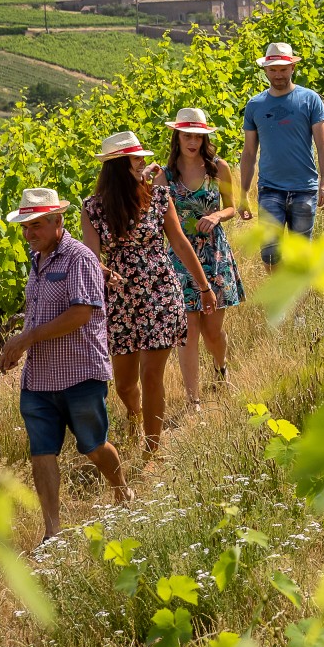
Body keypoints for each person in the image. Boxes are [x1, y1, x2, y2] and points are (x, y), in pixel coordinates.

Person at [0, 186, 132, 539]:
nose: (29, 234)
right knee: (41, 453)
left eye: (36, 226)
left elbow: (80, 314)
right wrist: (18, 348)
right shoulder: (37, 259)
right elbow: (38, 315)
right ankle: (52, 533)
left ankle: (122, 490)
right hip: (38, 379)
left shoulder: (80, 258)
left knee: (93, 445)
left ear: (58, 221)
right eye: (25, 228)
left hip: (80, 373)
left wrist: (26, 339)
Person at [83, 130, 216, 459]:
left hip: (160, 293)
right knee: (125, 384)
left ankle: (152, 450)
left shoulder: (159, 197)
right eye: (135, 158)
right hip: (120, 302)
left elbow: (180, 244)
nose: (142, 162)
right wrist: (101, 273)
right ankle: (134, 413)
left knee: (152, 373)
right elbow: (91, 259)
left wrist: (204, 287)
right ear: (117, 165)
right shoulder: (93, 209)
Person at [164, 108, 245, 411]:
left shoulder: (218, 168)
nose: (193, 141)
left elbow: (231, 208)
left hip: (214, 253)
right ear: (178, 136)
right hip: (179, 257)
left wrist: (215, 216)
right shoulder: (165, 174)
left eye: (198, 136)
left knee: (213, 331)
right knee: (188, 329)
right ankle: (192, 398)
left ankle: (221, 368)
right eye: (187, 135)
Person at [237, 41, 324, 268]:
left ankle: (297, 301)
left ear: (292, 68)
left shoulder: (310, 99)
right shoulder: (255, 105)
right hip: (270, 188)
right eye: (273, 69)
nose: (278, 74)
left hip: (304, 188)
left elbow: (323, 145)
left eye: (283, 69)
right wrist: (243, 194)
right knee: (270, 255)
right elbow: (249, 153)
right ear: (265, 70)